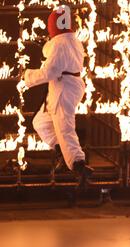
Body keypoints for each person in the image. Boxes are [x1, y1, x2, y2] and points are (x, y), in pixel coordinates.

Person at [24, 7, 93, 184]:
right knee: (40, 122)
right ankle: (63, 152)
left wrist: (27, 75)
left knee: (64, 126)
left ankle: (79, 164)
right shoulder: (72, 40)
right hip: (66, 85)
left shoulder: (60, 43)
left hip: (63, 87)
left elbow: (51, 71)